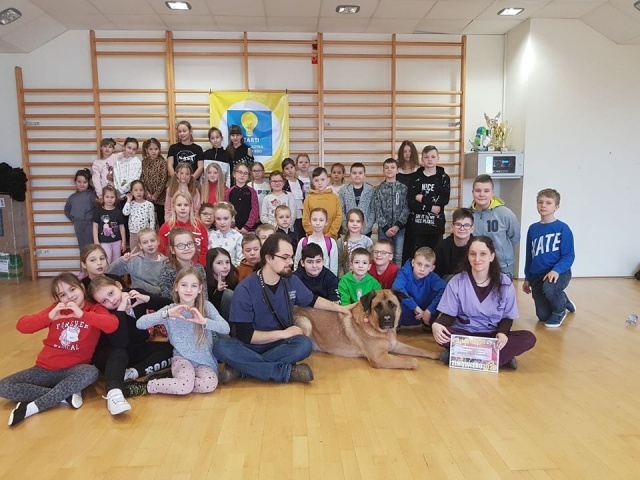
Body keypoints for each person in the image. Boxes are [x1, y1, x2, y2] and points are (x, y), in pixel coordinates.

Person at [212, 233, 354, 384]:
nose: (290, 262)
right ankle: (285, 372)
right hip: (250, 346)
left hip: (279, 345)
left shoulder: (291, 280)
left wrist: (341, 309)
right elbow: (246, 336)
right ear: (268, 258)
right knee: (221, 347)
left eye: (291, 257)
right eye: (285, 258)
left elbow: (312, 300)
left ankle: (242, 370)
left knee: (304, 345)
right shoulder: (244, 289)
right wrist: (283, 333)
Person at [0, 273, 118, 426]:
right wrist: (48, 318)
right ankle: (65, 396)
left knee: (91, 372)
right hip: (43, 369)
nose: (69, 296)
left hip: (73, 370)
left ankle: (34, 407)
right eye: (62, 295)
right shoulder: (56, 309)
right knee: (3, 386)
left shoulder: (95, 309)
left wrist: (82, 315)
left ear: (82, 287)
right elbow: (22, 326)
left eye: (72, 289)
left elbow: (112, 325)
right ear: (58, 299)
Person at [122, 268, 230, 398]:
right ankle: (147, 386)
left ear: (200, 289)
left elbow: (225, 328)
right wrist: (166, 314)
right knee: (184, 387)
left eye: (193, 286)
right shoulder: (171, 309)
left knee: (209, 384)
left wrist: (204, 321)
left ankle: (175, 381)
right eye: (184, 285)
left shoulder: (206, 306)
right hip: (182, 359)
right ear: (176, 287)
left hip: (204, 360)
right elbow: (140, 324)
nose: (188, 290)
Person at [432, 236, 537, 370]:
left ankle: (459, 355)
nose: (477, 259)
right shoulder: (457, 281)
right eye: (473, 254)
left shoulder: (505, 283)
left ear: (492, 256)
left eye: (483, 254)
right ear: (468, 256)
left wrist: (502, 333)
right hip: (466, 333)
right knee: (443, 335)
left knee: (528, 338)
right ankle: (499, 357)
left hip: (493, 336)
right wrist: (437, 324)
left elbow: (507, 317)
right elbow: (449, 315)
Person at [88, 276, 174, 413]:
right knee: (119, 352)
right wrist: (121, 311)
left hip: (135, 349)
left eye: (111, 293)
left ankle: (132, 373)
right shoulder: (106, 313)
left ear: (118, 286)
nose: (111, 300)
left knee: (172, 349)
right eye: (104, 301)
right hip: (112, 355)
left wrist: (147, 299)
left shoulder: (134, 294)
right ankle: (114, 393)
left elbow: (170, 305)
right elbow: (121, 343)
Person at [522, 188, 576, 328]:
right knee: (543, 316)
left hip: (559, 272)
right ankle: (563, 300)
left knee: (550, 288)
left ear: (556, 207)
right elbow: (529, 255)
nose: (543, 205)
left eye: (548, 203)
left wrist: (556, 270)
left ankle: (560, 311)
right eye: (540, 202)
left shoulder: (563, 228)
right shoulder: (533, 229)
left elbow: (569, 255)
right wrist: (527, 278)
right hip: (537, 275)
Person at [470, 174, 520, 278]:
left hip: (502, 266)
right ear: (472, 192)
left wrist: (503, 253)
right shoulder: (468, 215)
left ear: (492, 193)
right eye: (478, 191)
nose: (482, 194)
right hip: (477, 265)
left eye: (486, 191)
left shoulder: (505, 214)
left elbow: (515, 237)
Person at [408, 145, 451, 253]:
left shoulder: (444, 178)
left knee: (436, 256)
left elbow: (444, 199)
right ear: (422, 159)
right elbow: (411, 202)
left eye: (433, 157)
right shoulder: (415, 177)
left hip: (436, 226)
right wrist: (430, 207)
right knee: (419, 256)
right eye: (426, 157)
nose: (429, 159)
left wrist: (423, 198)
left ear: (438, 158)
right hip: (418, 226)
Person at [392, 247, 446, 329]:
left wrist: (430, 310)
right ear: (413, 263)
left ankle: (427, 324)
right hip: (407, 312)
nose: (422, 269)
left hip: (425, 315)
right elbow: (396, 288)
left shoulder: (432, 277)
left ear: (432, 268)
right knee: (396, 295)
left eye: (427, 266)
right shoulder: (404, 272)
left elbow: (445, 289)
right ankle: (396, 324)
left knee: (442, 292)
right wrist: (415, 307)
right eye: (419, 264)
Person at [372, 158, 410, 266]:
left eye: (392, 167)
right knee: (383, 255)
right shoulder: (379, 189)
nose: (389, 169)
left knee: (397, 256)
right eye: (387, 168)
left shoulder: (403, 188)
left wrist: (397, 226)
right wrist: (385, 228)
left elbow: (406, 208)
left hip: (399, 229)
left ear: (397, 170)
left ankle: (397, 276)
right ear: (383, 170)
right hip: (383, 230)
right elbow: (377, 209)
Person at [107, 228, 167, 295]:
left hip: (158, 298)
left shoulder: (166, 262)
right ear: (140, 245)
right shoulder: (134, 261)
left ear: (158, 241)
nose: (150, 244)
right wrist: (122, 261)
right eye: (145, 242)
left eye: (152, 240)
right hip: (136, 296)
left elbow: (167, 287)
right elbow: (109, 272)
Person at [158, 191, 209, 267]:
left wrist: (199, 266)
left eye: (186, 205)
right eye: (179, 205)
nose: (182, 208)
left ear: (191, 206)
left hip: (196, 268)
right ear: (173, 207)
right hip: (174, 268)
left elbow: (204, 250)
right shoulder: (166, 228)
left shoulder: (199, 226)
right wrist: (173, 266)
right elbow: (162, 251)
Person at [158, 228, 208, 300]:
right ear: (172, 250)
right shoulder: (167, 271)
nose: (187, 248)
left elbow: (204, 295)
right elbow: (166, 298)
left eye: (190, 244)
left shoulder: (199, 268)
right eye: (180, 245)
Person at [396, 140, 421, 266]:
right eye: (404, 151)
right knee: (401, 247)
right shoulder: (396, 171)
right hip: (400, 214)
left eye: (410, 151)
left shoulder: (419, 171)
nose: (407, 154)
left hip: (415, 213)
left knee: (414, 244)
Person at [294, 207, 338, 276]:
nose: (317, 223)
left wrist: (331, 280)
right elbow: (297, 264)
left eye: (321, 220)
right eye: (314, 220)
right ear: (309, 221)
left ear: (326, 222)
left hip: (324, 280)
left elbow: (333, 268)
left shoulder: (331, 243)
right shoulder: (303, 242)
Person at [434, 208, 475, 281]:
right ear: (452, 227)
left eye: (466, 225)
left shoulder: (478, 246)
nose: (462, 228)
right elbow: (436, 275)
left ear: (472, 229)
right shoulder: (441, 247)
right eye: (458, 224)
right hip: (447, 284)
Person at [302, 167, 342, 239]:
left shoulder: (335, 198)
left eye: (322, 179)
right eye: (316, 180)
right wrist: (312, 233)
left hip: (331, 238)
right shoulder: (308, 199)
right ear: (313, 182)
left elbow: (338, 217)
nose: (320, 183)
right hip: (313, 238)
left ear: (328, 180)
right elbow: (305, 219)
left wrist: (330, 233)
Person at [338, 163, 375, 237]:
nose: (357, 175)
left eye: (360, 173)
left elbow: (373, 210)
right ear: (350, 175)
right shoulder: (343, 191)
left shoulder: (371, 190)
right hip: (348, 231)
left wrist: (367, 227)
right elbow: (341, 210)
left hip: (366, 231)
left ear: (364, 175)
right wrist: (346, 226)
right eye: (354, 173)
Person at [65, 168, 98, 250]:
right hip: (78, 225)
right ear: (75, 182)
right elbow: (66, 210)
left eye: (85, 182)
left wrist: (94, 220)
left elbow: (98, 209)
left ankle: (91, 258)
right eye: (79, 182)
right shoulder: (72, 197)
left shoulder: (92, 195)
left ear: (88, 182)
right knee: (82, 247)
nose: (82, 184)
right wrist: (74, 220)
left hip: (90, 224)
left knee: (90, 246)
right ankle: (83, 259)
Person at [93, 185, 126, 263]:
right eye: (107, 197)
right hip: (104, 241)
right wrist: (96, 241)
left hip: (117, 241)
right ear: (103, 197)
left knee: (116, 262)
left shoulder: (118, 212)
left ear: (116, 198)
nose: (109, 199)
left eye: (112, 197)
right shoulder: (98, 211)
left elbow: (122, 227)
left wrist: (123, 242)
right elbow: (95, 227)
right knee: (106, 260)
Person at [337, 208, 373, 277]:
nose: (355, 224)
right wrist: (342, 278)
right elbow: (340, 263)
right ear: (347, 223)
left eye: (358, 221)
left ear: (362, 224)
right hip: (346, 279)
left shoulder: (367, 242)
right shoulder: (341, 241)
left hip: (363, 279)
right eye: (351, 221)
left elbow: (370, 263)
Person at [140, 138, 168, 225]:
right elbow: (142, 178)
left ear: (159, 150)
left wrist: (156, 194)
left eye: (156, 149)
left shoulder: (163, 163)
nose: (153, 151)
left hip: (160, 196)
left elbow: (163, 180)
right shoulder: (143, 163)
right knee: (148, 220)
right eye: (151, 149)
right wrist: (146, 193)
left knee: (161, 219)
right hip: (147, 196)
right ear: (146, 150)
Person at [205, 247, 239, 322]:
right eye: (219, 263)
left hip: (232, 319)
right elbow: (210, 310)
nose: (225, 266)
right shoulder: (205, 280)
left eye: (227, 262)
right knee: (228, 294)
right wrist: (218, 292)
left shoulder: (233, 276)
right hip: (213, 321)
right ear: (210, 265)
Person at [225, 163, 260, 233]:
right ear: (234, 174)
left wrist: (247, 227)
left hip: (249, 229)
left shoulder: (252, 191)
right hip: (232, 229)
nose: (242, 175)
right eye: (240, 172)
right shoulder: (229, 191)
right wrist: (233, 226)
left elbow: (255, 210)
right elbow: (227, 210)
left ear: (248, 176)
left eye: (245, 173)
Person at [122, 180, 155, 251]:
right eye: (136, 190)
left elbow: (152, 221)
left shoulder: (149, 205)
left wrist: (151, 234)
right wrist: (128, 200)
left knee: (146, 252)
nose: (139, 192)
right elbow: (125, 213)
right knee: (134, 253)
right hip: (133, 233)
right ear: (132, 192)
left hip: (145, 234)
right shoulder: (131, 203)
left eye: (141, 190)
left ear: (144, 191)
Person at [207, 201, 243, 267]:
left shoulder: (238, 237)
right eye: (218, 219)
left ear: (232, 218)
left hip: (232, 271)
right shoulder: (210, 236)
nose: (222, 222)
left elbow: (240, 259)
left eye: (226, 218)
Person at [282, 157, 305, 240]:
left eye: (291, 167)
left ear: (295, 167)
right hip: (289, 213)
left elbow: (303, 198)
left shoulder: (300, 183)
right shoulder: (284, 183)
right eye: (287, 168)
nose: (290, 170)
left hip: (300, 213)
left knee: (300, 234)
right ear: (283, 171)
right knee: (290, 235)